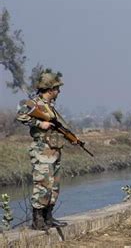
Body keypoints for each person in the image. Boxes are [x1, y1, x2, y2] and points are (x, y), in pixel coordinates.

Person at [16, 69, 68, 230]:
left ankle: (48, 217)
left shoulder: (50, 107)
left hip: (54, 150)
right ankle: (38, 220)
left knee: (54, 185)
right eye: (57, 88)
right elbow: (21, 115)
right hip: (41, 150)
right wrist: (39, 124)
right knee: (42, 184)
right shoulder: (34, 103)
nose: (59, 91)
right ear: (50, 89)